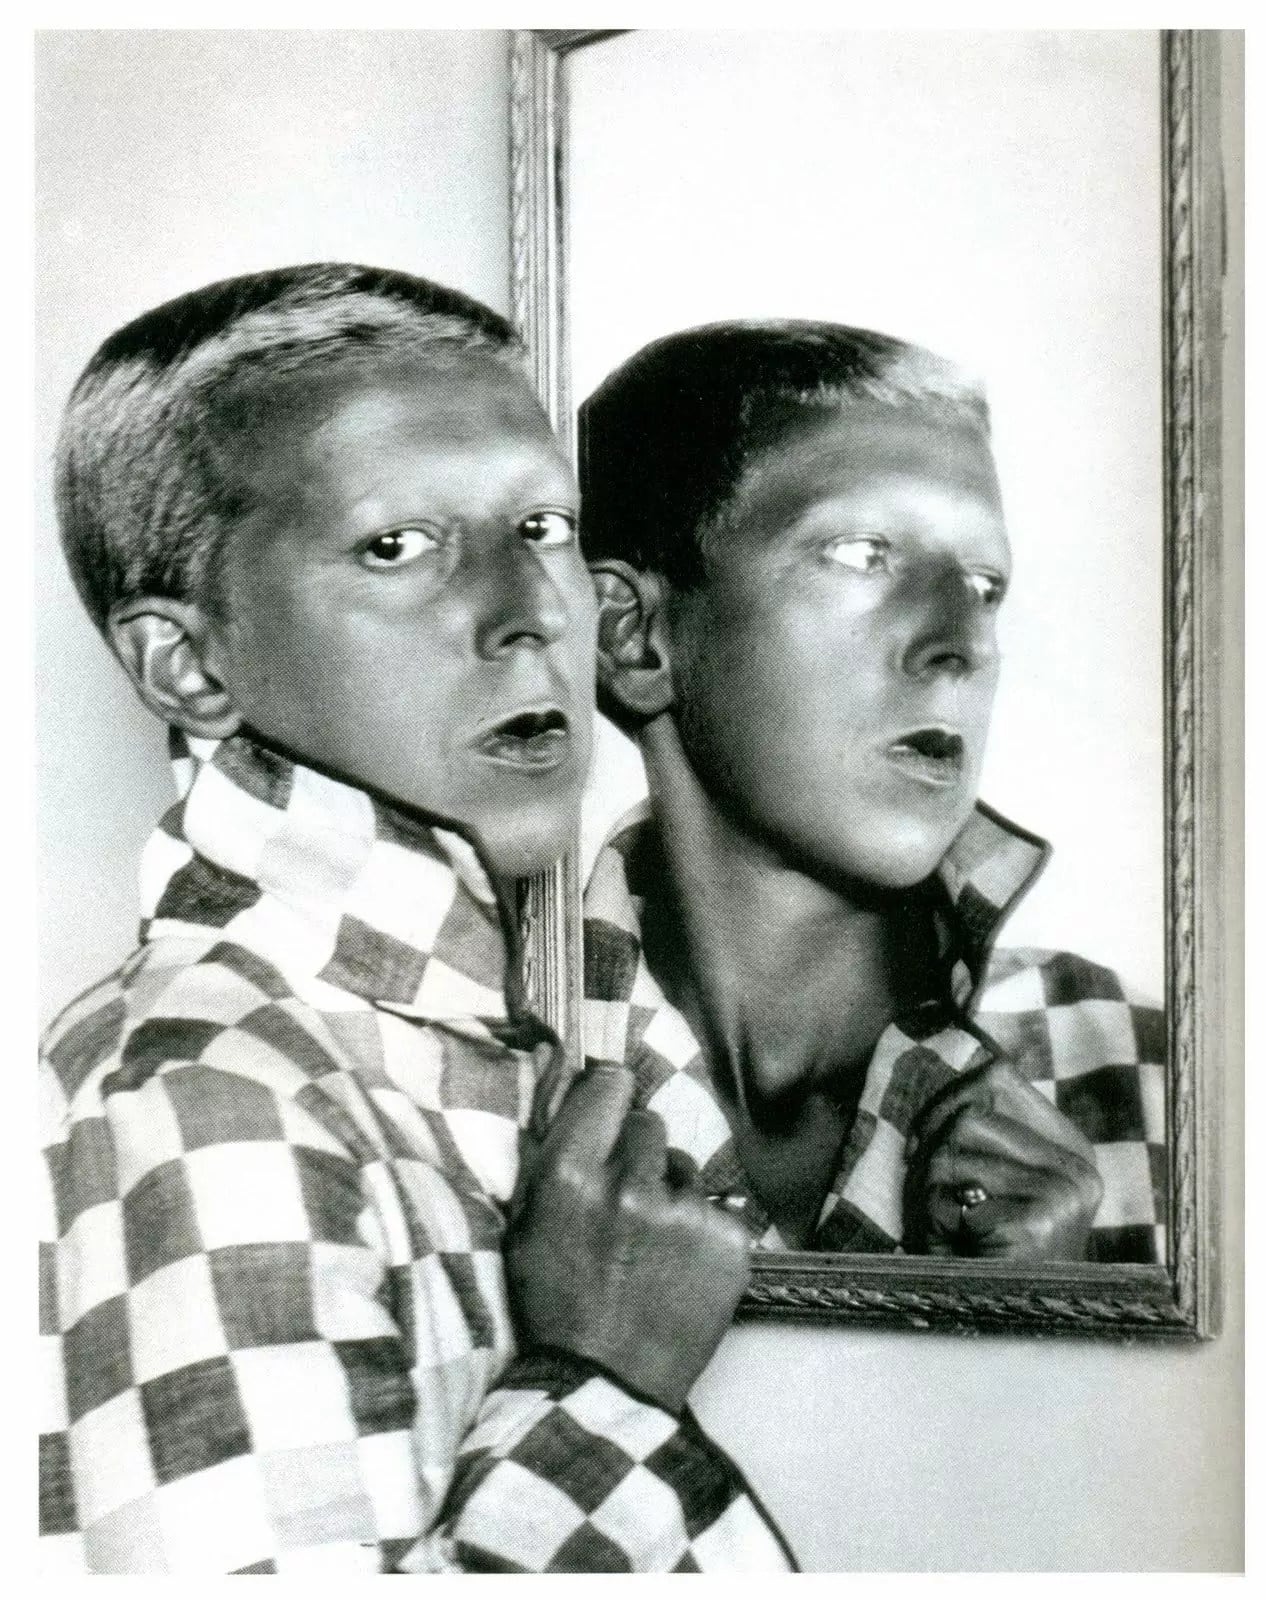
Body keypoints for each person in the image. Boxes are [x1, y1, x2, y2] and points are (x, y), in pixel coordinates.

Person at [39, 266, 795, 1573]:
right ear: (188, 664)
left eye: (544, 526)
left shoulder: (501, 1041)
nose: (531, 613)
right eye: (396, 545)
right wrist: (605, 1374)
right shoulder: (208, 1088)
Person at [579, 320, 1166, 1264]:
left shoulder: (1153, 1076)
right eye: (862, 553)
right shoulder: (476, 1075)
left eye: (984, 584)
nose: (961, 643)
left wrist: (1053, 1321)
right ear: (634, 638)